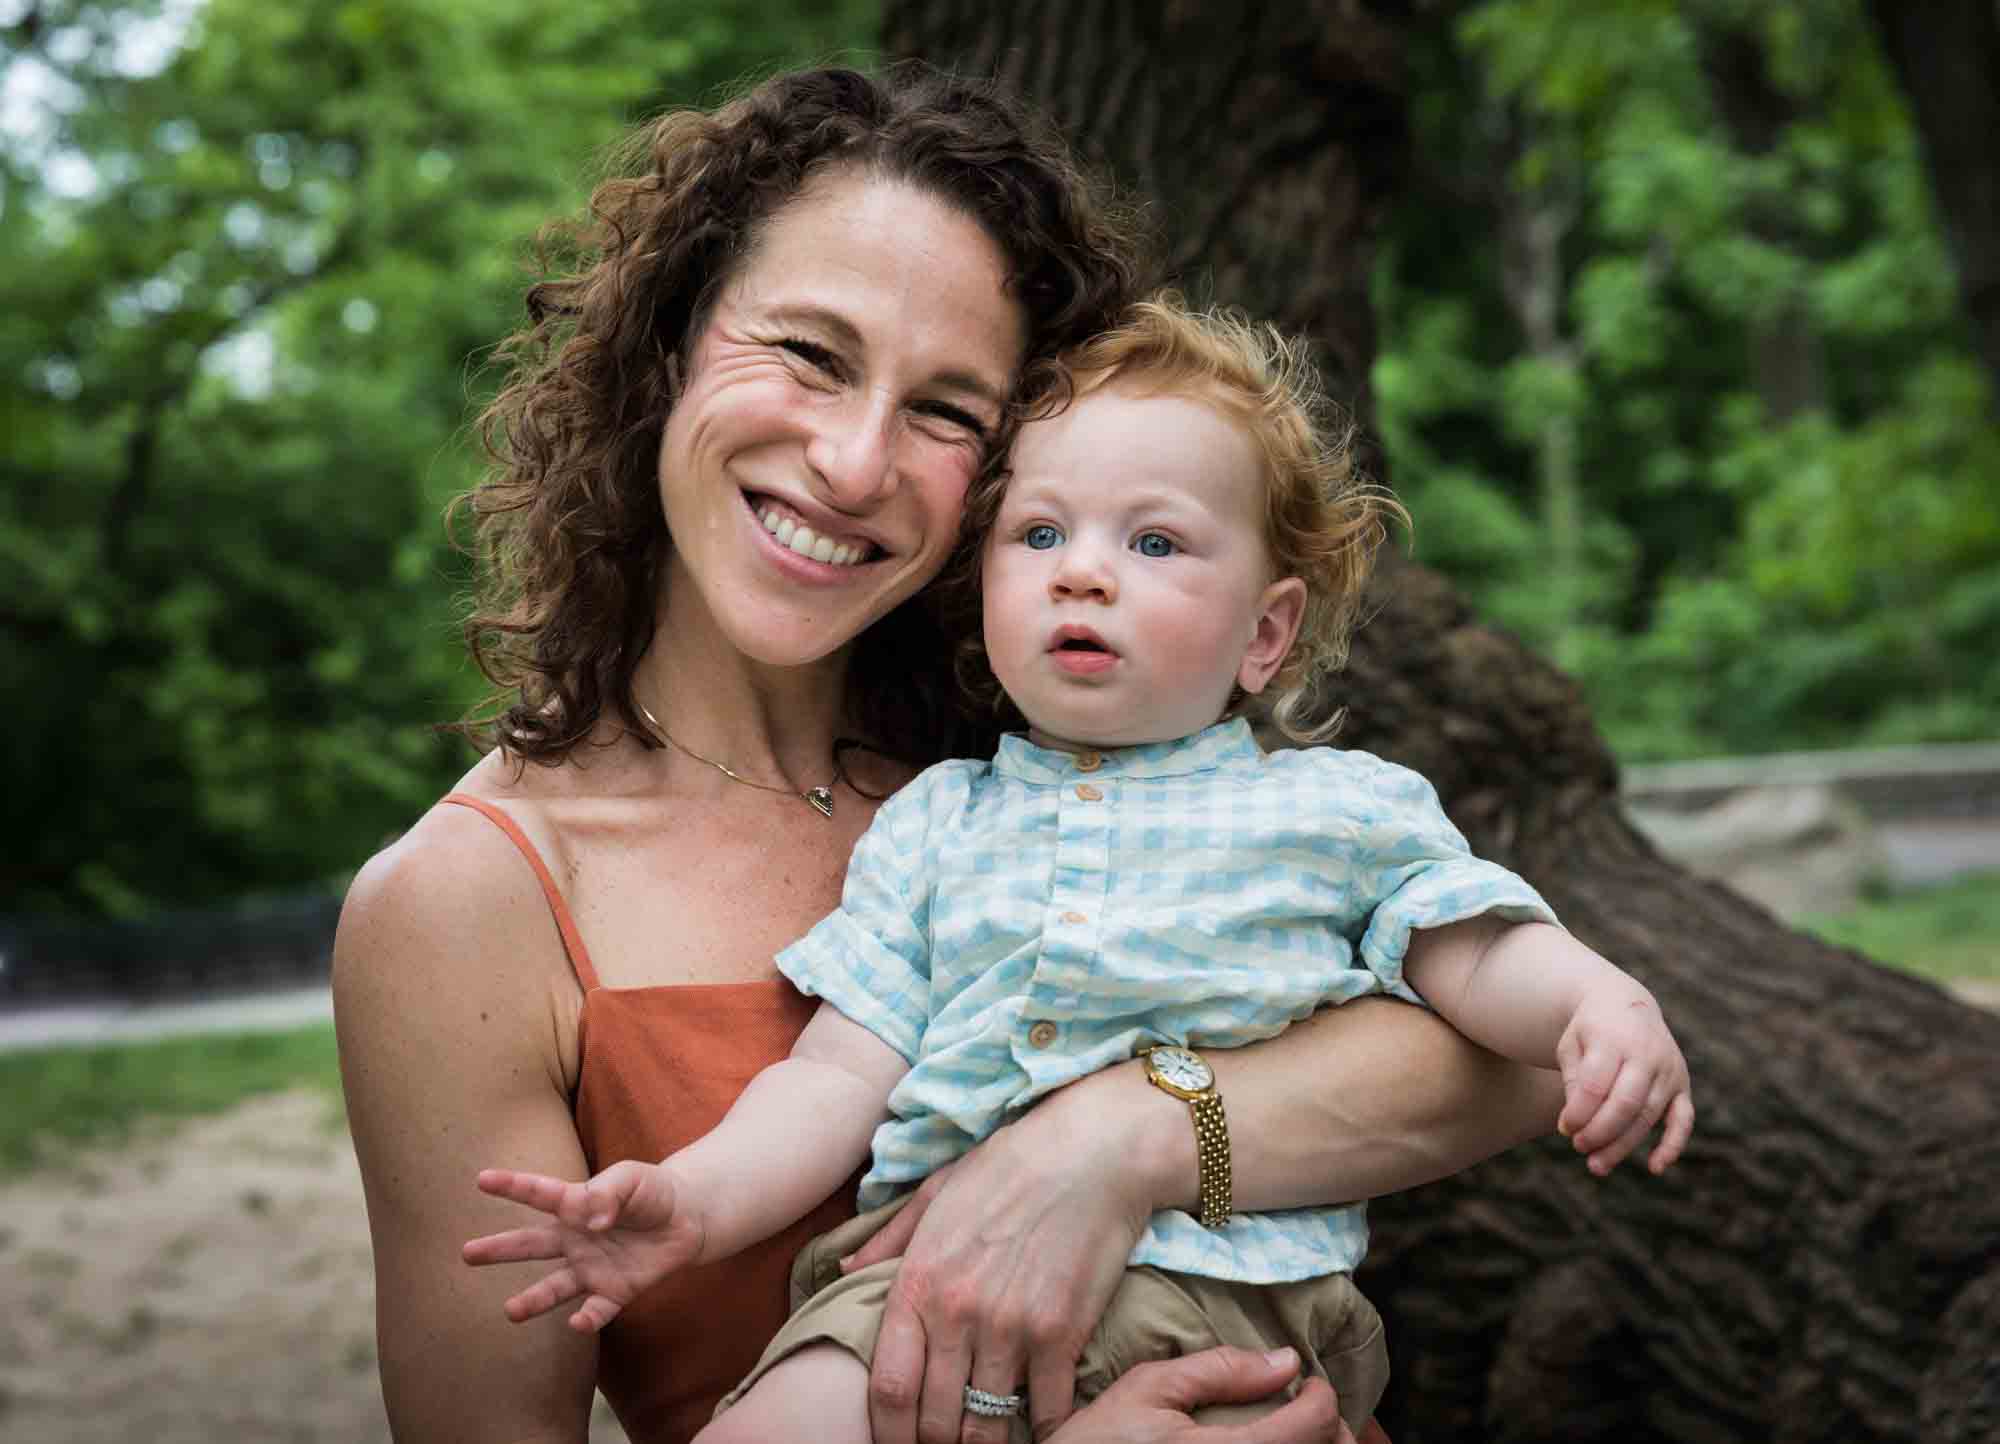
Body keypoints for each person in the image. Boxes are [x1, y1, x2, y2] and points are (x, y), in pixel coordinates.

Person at [334, 61, 1572, 1444]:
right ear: (671, 346)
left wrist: (1113, 1145)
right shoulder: (463, 907)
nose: (855, 463)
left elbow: (1516, 1064)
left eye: (945, 412)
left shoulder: (1066, 738)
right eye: (809, 354)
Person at [461, 298, 1696, 1443]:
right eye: (1039, 531)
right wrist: (691, 1205)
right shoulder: (938, 821)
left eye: (1153, 540)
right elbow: (838, 1069)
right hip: (917, 1305)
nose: (1082, 569)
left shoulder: (1334, 810)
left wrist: (1595, 1000)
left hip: (1223, 1306)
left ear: (1264, 632)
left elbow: (1471, 952)